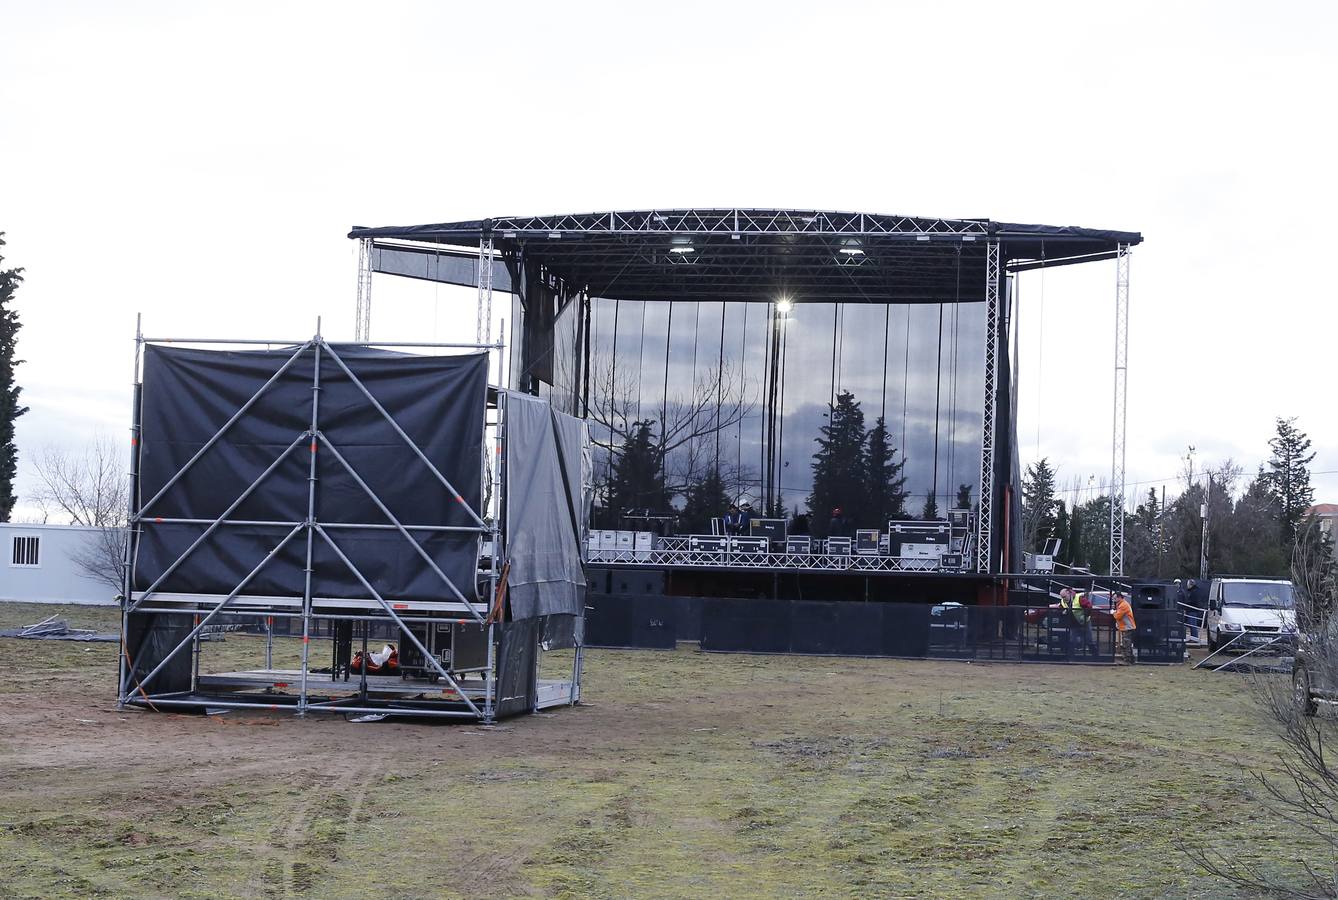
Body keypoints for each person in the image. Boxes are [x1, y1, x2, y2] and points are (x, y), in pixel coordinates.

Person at [1060, 587, 1096, 655]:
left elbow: (1089, 606)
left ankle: (1095, 656)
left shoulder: (1079, 598)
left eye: (1064, 596)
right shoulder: (1062, 601)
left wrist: (1085, 615)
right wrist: (1062, 612)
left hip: (1085, 622)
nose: (1063, 599)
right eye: (1062, 597)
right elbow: (1061, 608)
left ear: (1068, 593)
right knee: (1072, 640)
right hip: (1074, 623)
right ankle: (1070, 656)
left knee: (1089, 640)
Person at [1111, 592, 1137, 664]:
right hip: (1126, 627)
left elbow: (1118, 616)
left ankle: (1127, 660)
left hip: (1127, 627)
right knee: (1127, 643)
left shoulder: (1123, 605)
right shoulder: (1121, 604)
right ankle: (1131, 659)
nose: (1114, 599)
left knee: (1126, 644)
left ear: (1120, 597)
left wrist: (1113, 613)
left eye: (1115, 598)